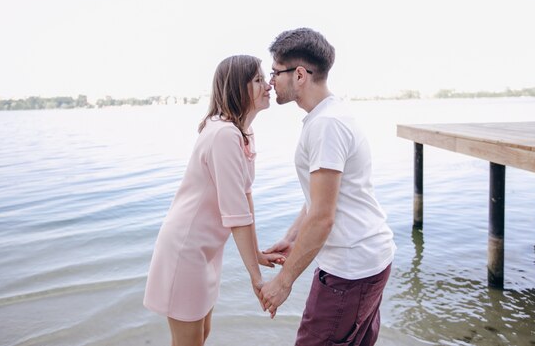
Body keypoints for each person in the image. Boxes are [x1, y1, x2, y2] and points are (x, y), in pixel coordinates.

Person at [260, 28, 396, 346]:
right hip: (368, 258)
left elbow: (323, 216)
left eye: (275, 72)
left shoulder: (326, 125)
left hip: (350, 270)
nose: (270, 81)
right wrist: (292, 238)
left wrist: (284, 281)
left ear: (300, 75)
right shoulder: (328, 116)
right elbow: (319, 198)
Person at [143, 55, 283, 346]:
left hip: (206, 251)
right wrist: (256, 278)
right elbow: (236, 214)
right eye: (258, 80)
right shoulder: (223, 134)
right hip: (186, 250)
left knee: (202, 334)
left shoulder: (242, 133)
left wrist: (255, 252)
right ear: (237, 88)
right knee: (189, 341)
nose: (268, 84)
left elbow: (244, 196)